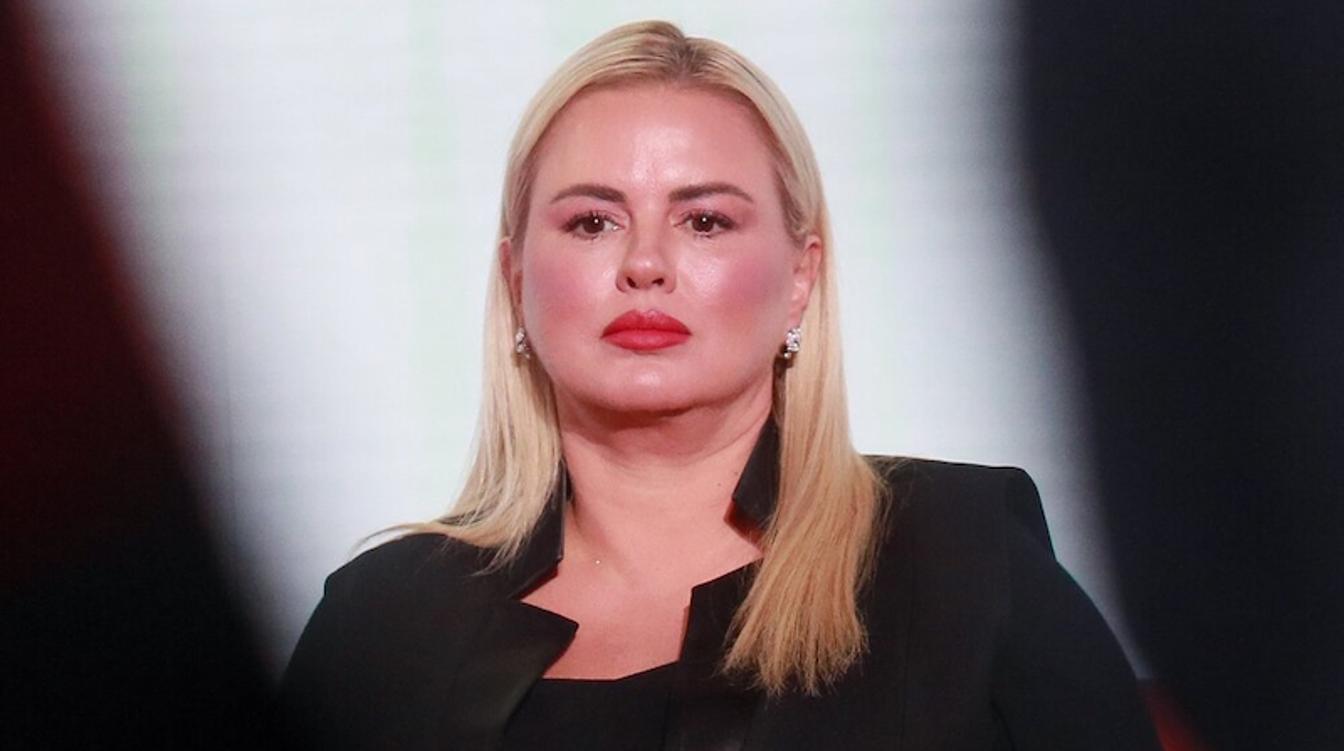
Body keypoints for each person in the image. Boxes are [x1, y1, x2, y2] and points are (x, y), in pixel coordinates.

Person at [278, 20, 1159, 750]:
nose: (646, 264)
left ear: (801, 276)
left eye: (704, 220)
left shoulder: (961, 562)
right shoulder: (380, 622)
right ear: (516, 278)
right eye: (591, 221)